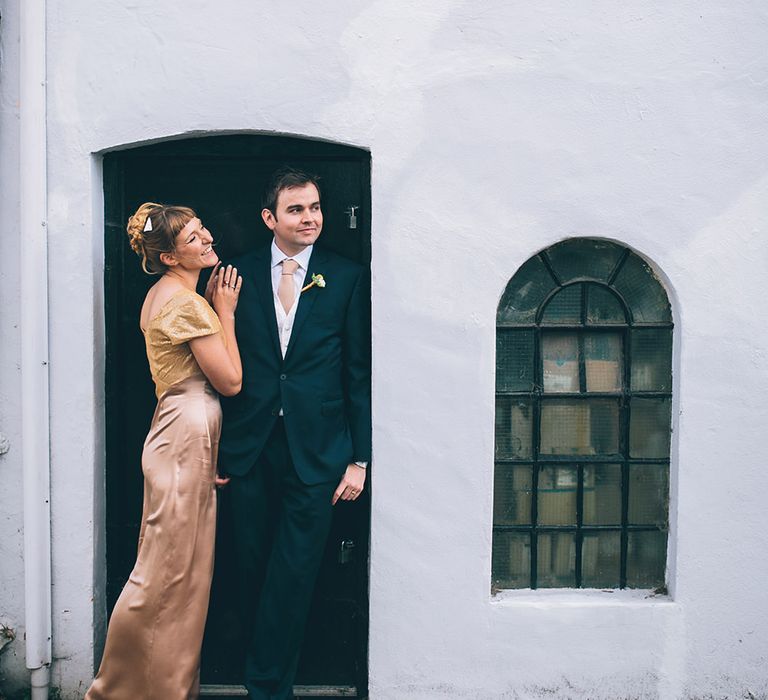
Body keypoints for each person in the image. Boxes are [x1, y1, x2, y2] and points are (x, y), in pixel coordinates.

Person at [218, 167, 371, 700]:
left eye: (315, 208)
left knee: (296, 573)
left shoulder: (345, 276)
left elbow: (358, 372)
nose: (310, 219)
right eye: (296, 210)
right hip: (250, 449)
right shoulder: (232, 275)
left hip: (319, 454)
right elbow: (215, 366)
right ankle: (261, 678)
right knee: (253, 569)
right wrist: (217, 447)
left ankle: (266, 688)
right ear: (270, 218)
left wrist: (360, 459)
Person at [86, 202, 243, 700]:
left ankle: (159, 687)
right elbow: (230, 382)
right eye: (194, 237)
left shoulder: (160, 295)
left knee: (172, 567)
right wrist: (226, 313)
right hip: (184, 430)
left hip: (179, 430)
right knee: (174, 572)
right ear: (172, 256)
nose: (207, 238)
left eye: (202, 230)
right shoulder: (188, 304)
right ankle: (126, 689)